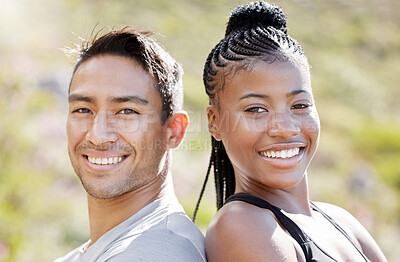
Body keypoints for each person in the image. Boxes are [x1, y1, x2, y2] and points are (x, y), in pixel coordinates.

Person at [193, 2, 388, 261]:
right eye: (256, 109)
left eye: (300, 105)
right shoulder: (242, 225)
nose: (284, 128)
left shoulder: (342, 222)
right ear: (214, 121)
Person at [55, 28, 206, 262]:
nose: (98, 135)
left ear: (173, 131)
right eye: (83, 110)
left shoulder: (157, 254)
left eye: (127, 111)